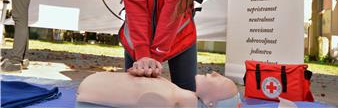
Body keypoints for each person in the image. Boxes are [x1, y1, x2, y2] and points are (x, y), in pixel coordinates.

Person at [76, 71, 240, 108]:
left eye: (222, 81)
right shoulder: (171, 93)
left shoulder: (166, 98)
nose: (215, 73)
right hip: (91, 91)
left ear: (210, 103)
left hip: (90, 92)